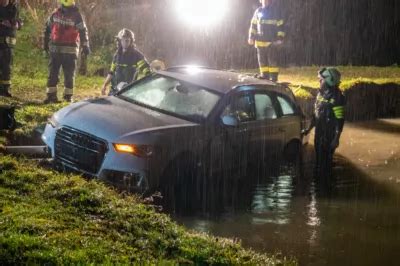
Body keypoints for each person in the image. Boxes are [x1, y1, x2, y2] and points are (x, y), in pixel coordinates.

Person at [43, 0, 90, 103]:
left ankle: (68, 97)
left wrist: (85, 45)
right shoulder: (55, 13)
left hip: (70, 51)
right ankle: (51, 96)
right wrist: (45, 43)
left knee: (69, 75)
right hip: (56, 50)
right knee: (53, 74)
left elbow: (83, 31)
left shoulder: (77, 16)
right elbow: (47, 28)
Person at [303, 67, 346, 178]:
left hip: (329, 135)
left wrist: (336, 138)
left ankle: (326, 187)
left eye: (321, 80)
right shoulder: (320, 94)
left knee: (326, 163)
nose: (319, 81)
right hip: (319, 133)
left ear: (329, 81)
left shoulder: (337, 97)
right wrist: (308, 129)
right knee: (318, 161)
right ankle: (319, 185)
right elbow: (315, 115)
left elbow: (339, 120)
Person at [101, 28, 151, 96]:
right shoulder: (116, 55)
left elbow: (148, 73)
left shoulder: (137, 56)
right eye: (123, 39)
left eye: (127, 40)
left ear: (131, 41)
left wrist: (141, 88)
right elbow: (111, 72)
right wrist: (104, 85)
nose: (125, 42)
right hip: (114, 92)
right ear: (119, 41)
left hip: (128, 93)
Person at [248, 0, 285, 82]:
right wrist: (251, 37)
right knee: (262, 62)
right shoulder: (257, 11)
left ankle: (274, 79)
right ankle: (264, 77)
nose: (265, 1)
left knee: (273, 62)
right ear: (260, 1)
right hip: (259, 42)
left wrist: (280, 38)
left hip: (271, 43)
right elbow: (253, 25)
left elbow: (281, 26)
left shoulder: (275, 11)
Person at [0, 0, 21, 97]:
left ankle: (5, 89)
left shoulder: (14, 8)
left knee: (6, 67)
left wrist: (18, 24)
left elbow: (17, 21)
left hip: (8, 44)